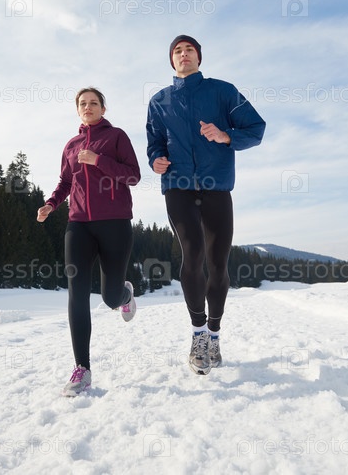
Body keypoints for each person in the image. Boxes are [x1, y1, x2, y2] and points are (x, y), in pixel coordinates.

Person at [146, 35, 266, 375]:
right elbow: (155, 143)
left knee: (217, 263)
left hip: (217, 186)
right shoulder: (159, 101)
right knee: (193, 254)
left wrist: (226, 135)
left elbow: (256, 128)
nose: (184, 54)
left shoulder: (223, 91)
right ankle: (198, 333)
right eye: (177, 51)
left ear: (199, 57)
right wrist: (156, 159)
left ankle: (214, 333)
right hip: (178, 187)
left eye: (190, 50)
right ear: (172, 60)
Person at [37, 87, 141, 395]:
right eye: (82, 103)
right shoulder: (71, 145)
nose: (88, 107)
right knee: (77, 293)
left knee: (109, 298)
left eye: (94, 102)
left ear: (103, 109)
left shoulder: (117, 137)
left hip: (115, 223)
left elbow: (133, 175)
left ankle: (124, 294)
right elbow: (65, 182)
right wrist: (51, 204)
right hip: (78, 224)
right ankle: (82, 369)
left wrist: (98, 161)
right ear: (78, 110)